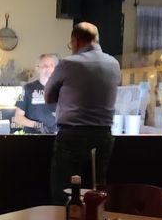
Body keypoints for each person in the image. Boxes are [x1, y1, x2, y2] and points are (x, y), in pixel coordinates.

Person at [45, 22, 121, 204]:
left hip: (73, 136)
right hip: (104, 136)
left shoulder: (69, 63)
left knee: (64, 191)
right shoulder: (114, 64)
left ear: (76, 41)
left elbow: (48, 96)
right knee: (97, 189)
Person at [14, 54, 58, 134]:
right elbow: (18, 117)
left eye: (51, 65)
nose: (49, 69)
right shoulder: (26, 89)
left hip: (56, 136)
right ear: (38, 69)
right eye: (45, 66)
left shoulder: (61, 89)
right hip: (33, 137)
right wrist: (38, 125)